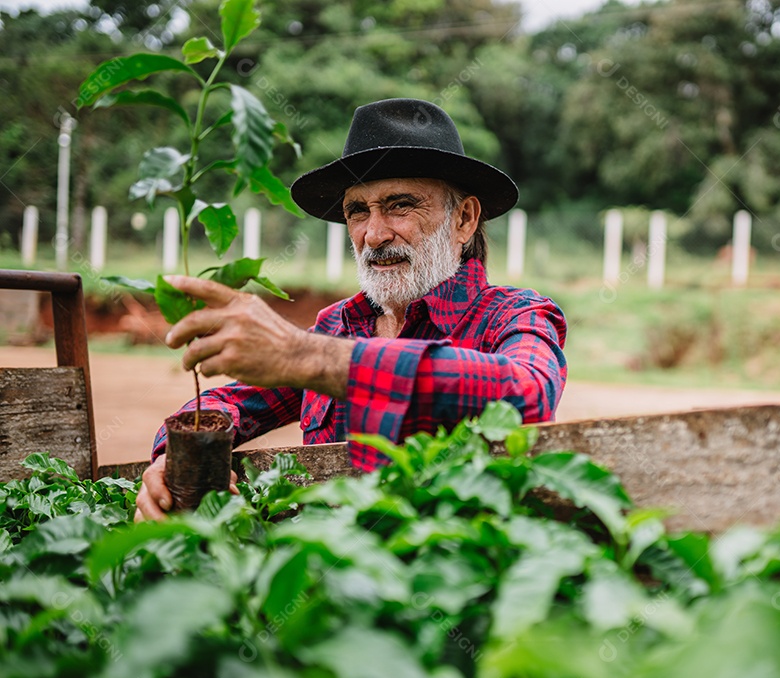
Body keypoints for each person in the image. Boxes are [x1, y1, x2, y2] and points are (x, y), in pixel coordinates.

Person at [134, 98, 567, 521]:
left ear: (464, 219)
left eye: (400, 204)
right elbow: (230, 404)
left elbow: (529, 395)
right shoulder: (336, 326)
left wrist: (306, 356)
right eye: (357, 211)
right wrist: (171, 456)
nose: (374, 234)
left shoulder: (513, 315)